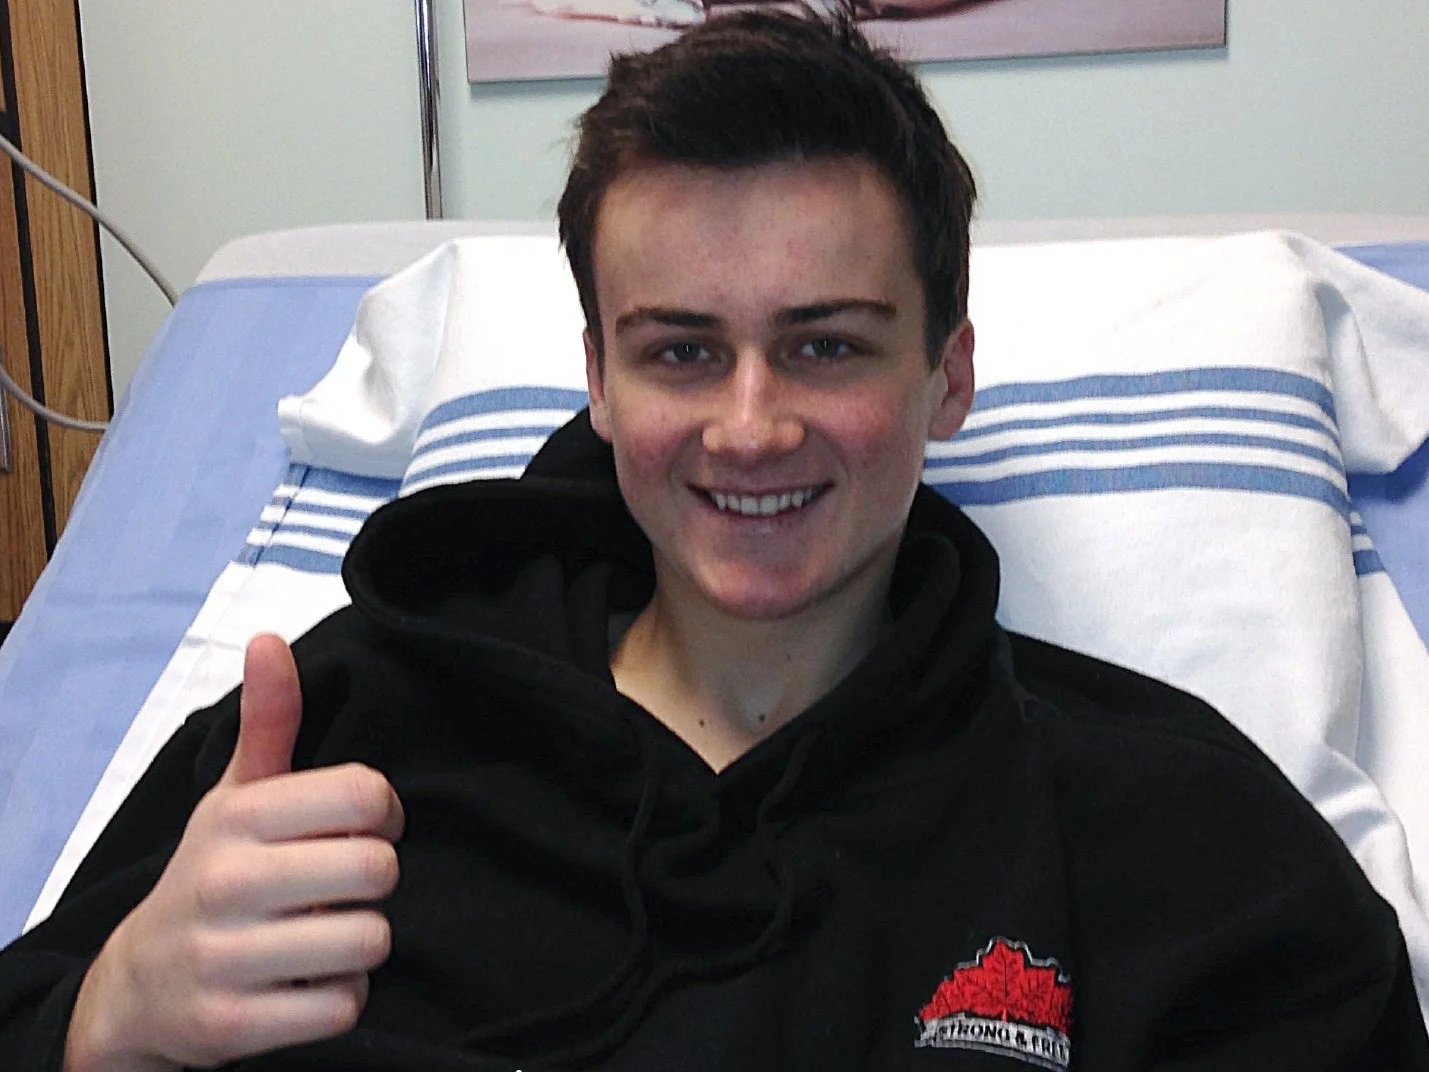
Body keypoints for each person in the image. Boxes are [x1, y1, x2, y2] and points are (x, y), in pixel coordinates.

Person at [2, 8, 1427, 1071]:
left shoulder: (1161, 841)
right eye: (681, 353)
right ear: (598, 381)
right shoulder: (345, 732)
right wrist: (104, 1019)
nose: (749, 427)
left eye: (822, 347)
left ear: (946, 377)